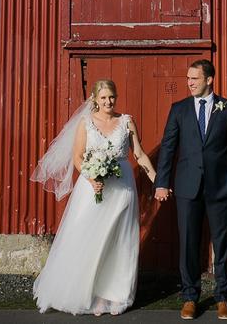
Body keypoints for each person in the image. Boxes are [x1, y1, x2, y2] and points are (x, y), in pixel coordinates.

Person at [31, 79, 156, 316]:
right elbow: (78, 156)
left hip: (122, 188)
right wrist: (91, 178)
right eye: (104, 98)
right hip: (93, 189)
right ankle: (89, 293)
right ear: (95, 100)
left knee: (118, 241)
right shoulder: (85, 123)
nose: (109, 102)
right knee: (91, 239)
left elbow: (138, 154)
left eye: (112, 97)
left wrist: (157, 180)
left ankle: (114, 296)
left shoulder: (127, 122)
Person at [155, 59, 227, 320]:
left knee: (222, 243)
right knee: (189, 244)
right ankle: (190, 297)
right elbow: (168, 148)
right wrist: (162, 181)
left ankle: (223, 297)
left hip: (221, 188)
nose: (189, 83)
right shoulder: (179, 109)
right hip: (187, 187)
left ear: (209, 80)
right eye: (188, 79)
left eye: (194, 78)